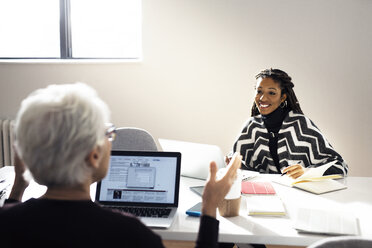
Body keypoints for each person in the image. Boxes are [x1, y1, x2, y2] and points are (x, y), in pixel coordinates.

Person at [0, 83, 242, 247]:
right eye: (108, 134)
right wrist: (209, 206)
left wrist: (18, 187)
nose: (111, 141)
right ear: (93, 156)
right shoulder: (131, 235)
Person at [228, 68, 348, 178]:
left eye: (271, 93)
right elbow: (246, 170)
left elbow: (339, 165)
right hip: (265, 196)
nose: (262, 98)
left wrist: (307, 172)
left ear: (283, 97)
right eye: (259, 91)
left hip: (300, 195)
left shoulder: (300, 124)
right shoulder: (252, 126)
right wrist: (235, 166)